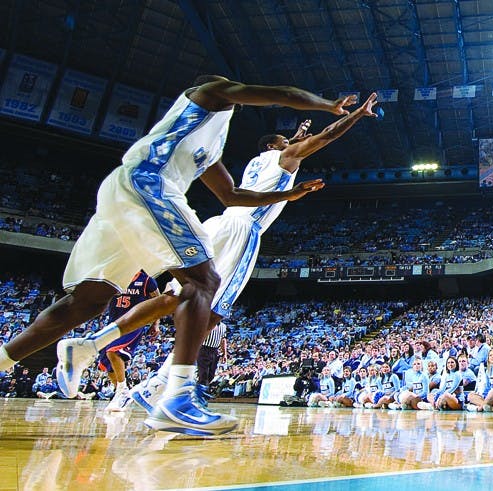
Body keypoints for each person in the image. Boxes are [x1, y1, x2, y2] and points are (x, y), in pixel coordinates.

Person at [0, 75, 355, 436]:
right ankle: (175, 396)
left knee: (87, 302)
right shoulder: (210, 93)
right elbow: (283, 93)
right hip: (154, 185)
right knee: (205, 284)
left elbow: (232, 195)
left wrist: (288, 195)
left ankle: (48, 352)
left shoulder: (216, 148)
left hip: (128, 193)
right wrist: (329, 106)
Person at [109, 95, 381, 414]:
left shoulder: (257, 162)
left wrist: (295, 135)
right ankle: (160, 383)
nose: (295, 143)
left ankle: (104, 342)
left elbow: (289, 145)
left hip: (219, 223)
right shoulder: (284, 157)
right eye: (287, 141)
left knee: (180, 296)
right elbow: (328, 136)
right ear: (274, 146)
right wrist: (358, 115)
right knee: (213, 313)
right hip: (242, 230)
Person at [99, 270, 160, 412]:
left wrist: (155, 324)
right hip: (114, 324)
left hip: (134, 323)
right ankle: (121, 394)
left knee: (113, 352)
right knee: (106, 364)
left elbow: (158, 302)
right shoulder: (114, 274)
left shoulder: (146, 280)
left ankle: (122, 390)